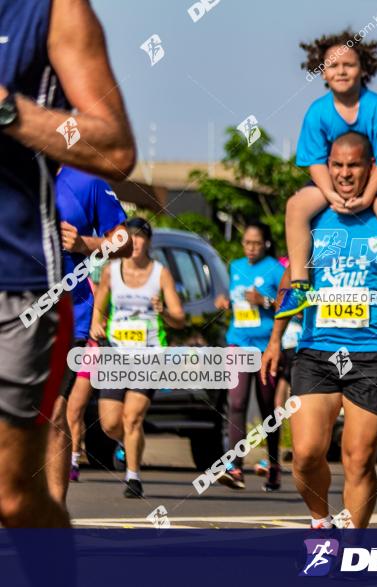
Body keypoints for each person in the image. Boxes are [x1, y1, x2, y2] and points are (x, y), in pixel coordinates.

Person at [0, 0, 135, 528]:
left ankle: (53, 509)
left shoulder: (53, 10)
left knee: (17, 490)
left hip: (26, 293)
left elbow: (118, 150)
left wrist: (7, 109)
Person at [262, 132, 377, 529]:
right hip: (316, 348)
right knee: (305, 454)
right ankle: (321, 522)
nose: (343, 174)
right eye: (336, 165)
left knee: (358, 458)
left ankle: (354, 546)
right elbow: (292, 276)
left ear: (370, 168)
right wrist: (275, 338)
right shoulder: (312, 217)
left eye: (353, 165)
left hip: (373, 350)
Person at [277, 29, 377, 327]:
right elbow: (315, 162)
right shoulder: (317, 112)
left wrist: (367, 198)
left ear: (363, 69)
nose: (341, 71)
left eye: (349, 64)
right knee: (295, 207)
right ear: (322, 71)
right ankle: (300, 284)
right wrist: (331, 195)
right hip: (336, 178)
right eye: (333, 65)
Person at [47, 167, 130, 503]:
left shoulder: (85, 182)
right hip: (11, 312)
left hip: (70, 314)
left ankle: (52, 517)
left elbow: (124, 240)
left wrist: (87, 243)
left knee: (55, 410)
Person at [90, 217, 184, 498]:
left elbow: (180, 319)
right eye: (130, 238)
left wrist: (163, 310)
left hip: (150, 355)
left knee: (132, 418)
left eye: (141, 237)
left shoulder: (160, 273)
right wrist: (97, 322)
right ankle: (128, 443)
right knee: (109, 423)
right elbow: (100, 304)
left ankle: (133, 477)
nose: (135, 243)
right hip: (117, 354)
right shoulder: (111, 270)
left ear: (148, 242)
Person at [214, 223, 285, 491]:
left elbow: (290, 303)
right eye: (247, 243)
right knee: (237, 402)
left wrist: (264, 301)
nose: (251, 248)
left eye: (256, 243)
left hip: (266, 347)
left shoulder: (277, 270)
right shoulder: (236, 267)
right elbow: (236, 299)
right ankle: (235, 467)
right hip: (238, 343)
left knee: (268, 408)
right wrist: (226, 303)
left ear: (266, 244)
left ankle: (274, 463)